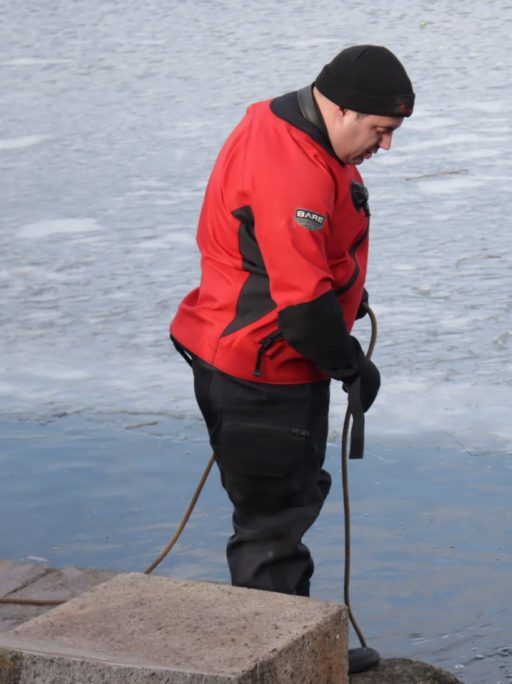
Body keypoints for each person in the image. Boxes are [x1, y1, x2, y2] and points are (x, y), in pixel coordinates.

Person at [169, 45, 414, 674]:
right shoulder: (293, 168)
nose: (384, 147)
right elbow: (301, 309)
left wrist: (345, 297)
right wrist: (351, 364)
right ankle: (280, 666)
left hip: (251, 351)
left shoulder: (288, 125)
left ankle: (293, 651)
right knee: (272, 526)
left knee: (284, 506)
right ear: (340, 108)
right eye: (380, 131)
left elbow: (284, 256)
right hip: (257, 366)